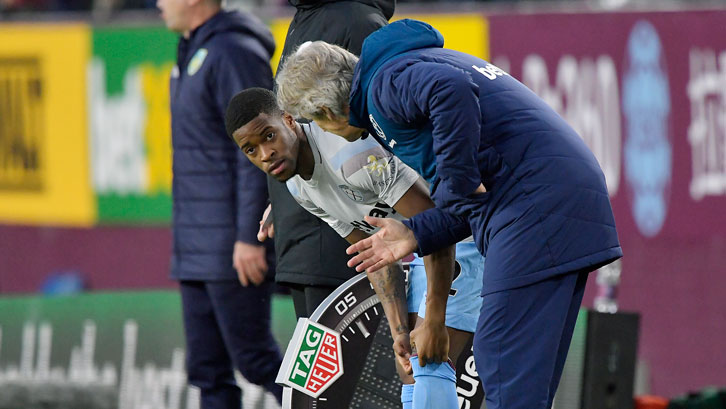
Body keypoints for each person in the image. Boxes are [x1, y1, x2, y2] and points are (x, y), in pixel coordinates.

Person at [274, 20, 623, 409]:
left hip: (535, 205)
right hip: (558, 197)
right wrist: (415, 232)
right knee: (525, 379)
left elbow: (450, 90)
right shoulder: (403, 66)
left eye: (318, 122)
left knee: (501, 358)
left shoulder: (383, 87)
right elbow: (469, 207)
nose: (328, 133)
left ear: (325, 110)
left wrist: (457, 179)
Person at [225, 87, 485, 409]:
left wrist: (433, 317)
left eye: (269, 136)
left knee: (429, 363)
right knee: (411, 371)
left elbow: (441, 222)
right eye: (251, 150)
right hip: (427, 247)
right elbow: (375, 254)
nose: (265, 154)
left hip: (468, 233)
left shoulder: (353, 158)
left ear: (289, 121)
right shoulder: (297, 187)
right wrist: (398, 333)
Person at [156, 0, 283, 406]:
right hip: (195, 246)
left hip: (230, 247)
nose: (158, 3)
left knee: (257, 361)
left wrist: (249, 237)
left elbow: (259, 154)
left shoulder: (234, 52)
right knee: (207, 372)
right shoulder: (192, 50)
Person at [266, 0, 395, 319]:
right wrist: (280, 197)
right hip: (304, 225)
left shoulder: (357, 21)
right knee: (319, 365)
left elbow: (381, 128)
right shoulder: (307, 16)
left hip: (339, 241)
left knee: (349, 365)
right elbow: (296, 121)